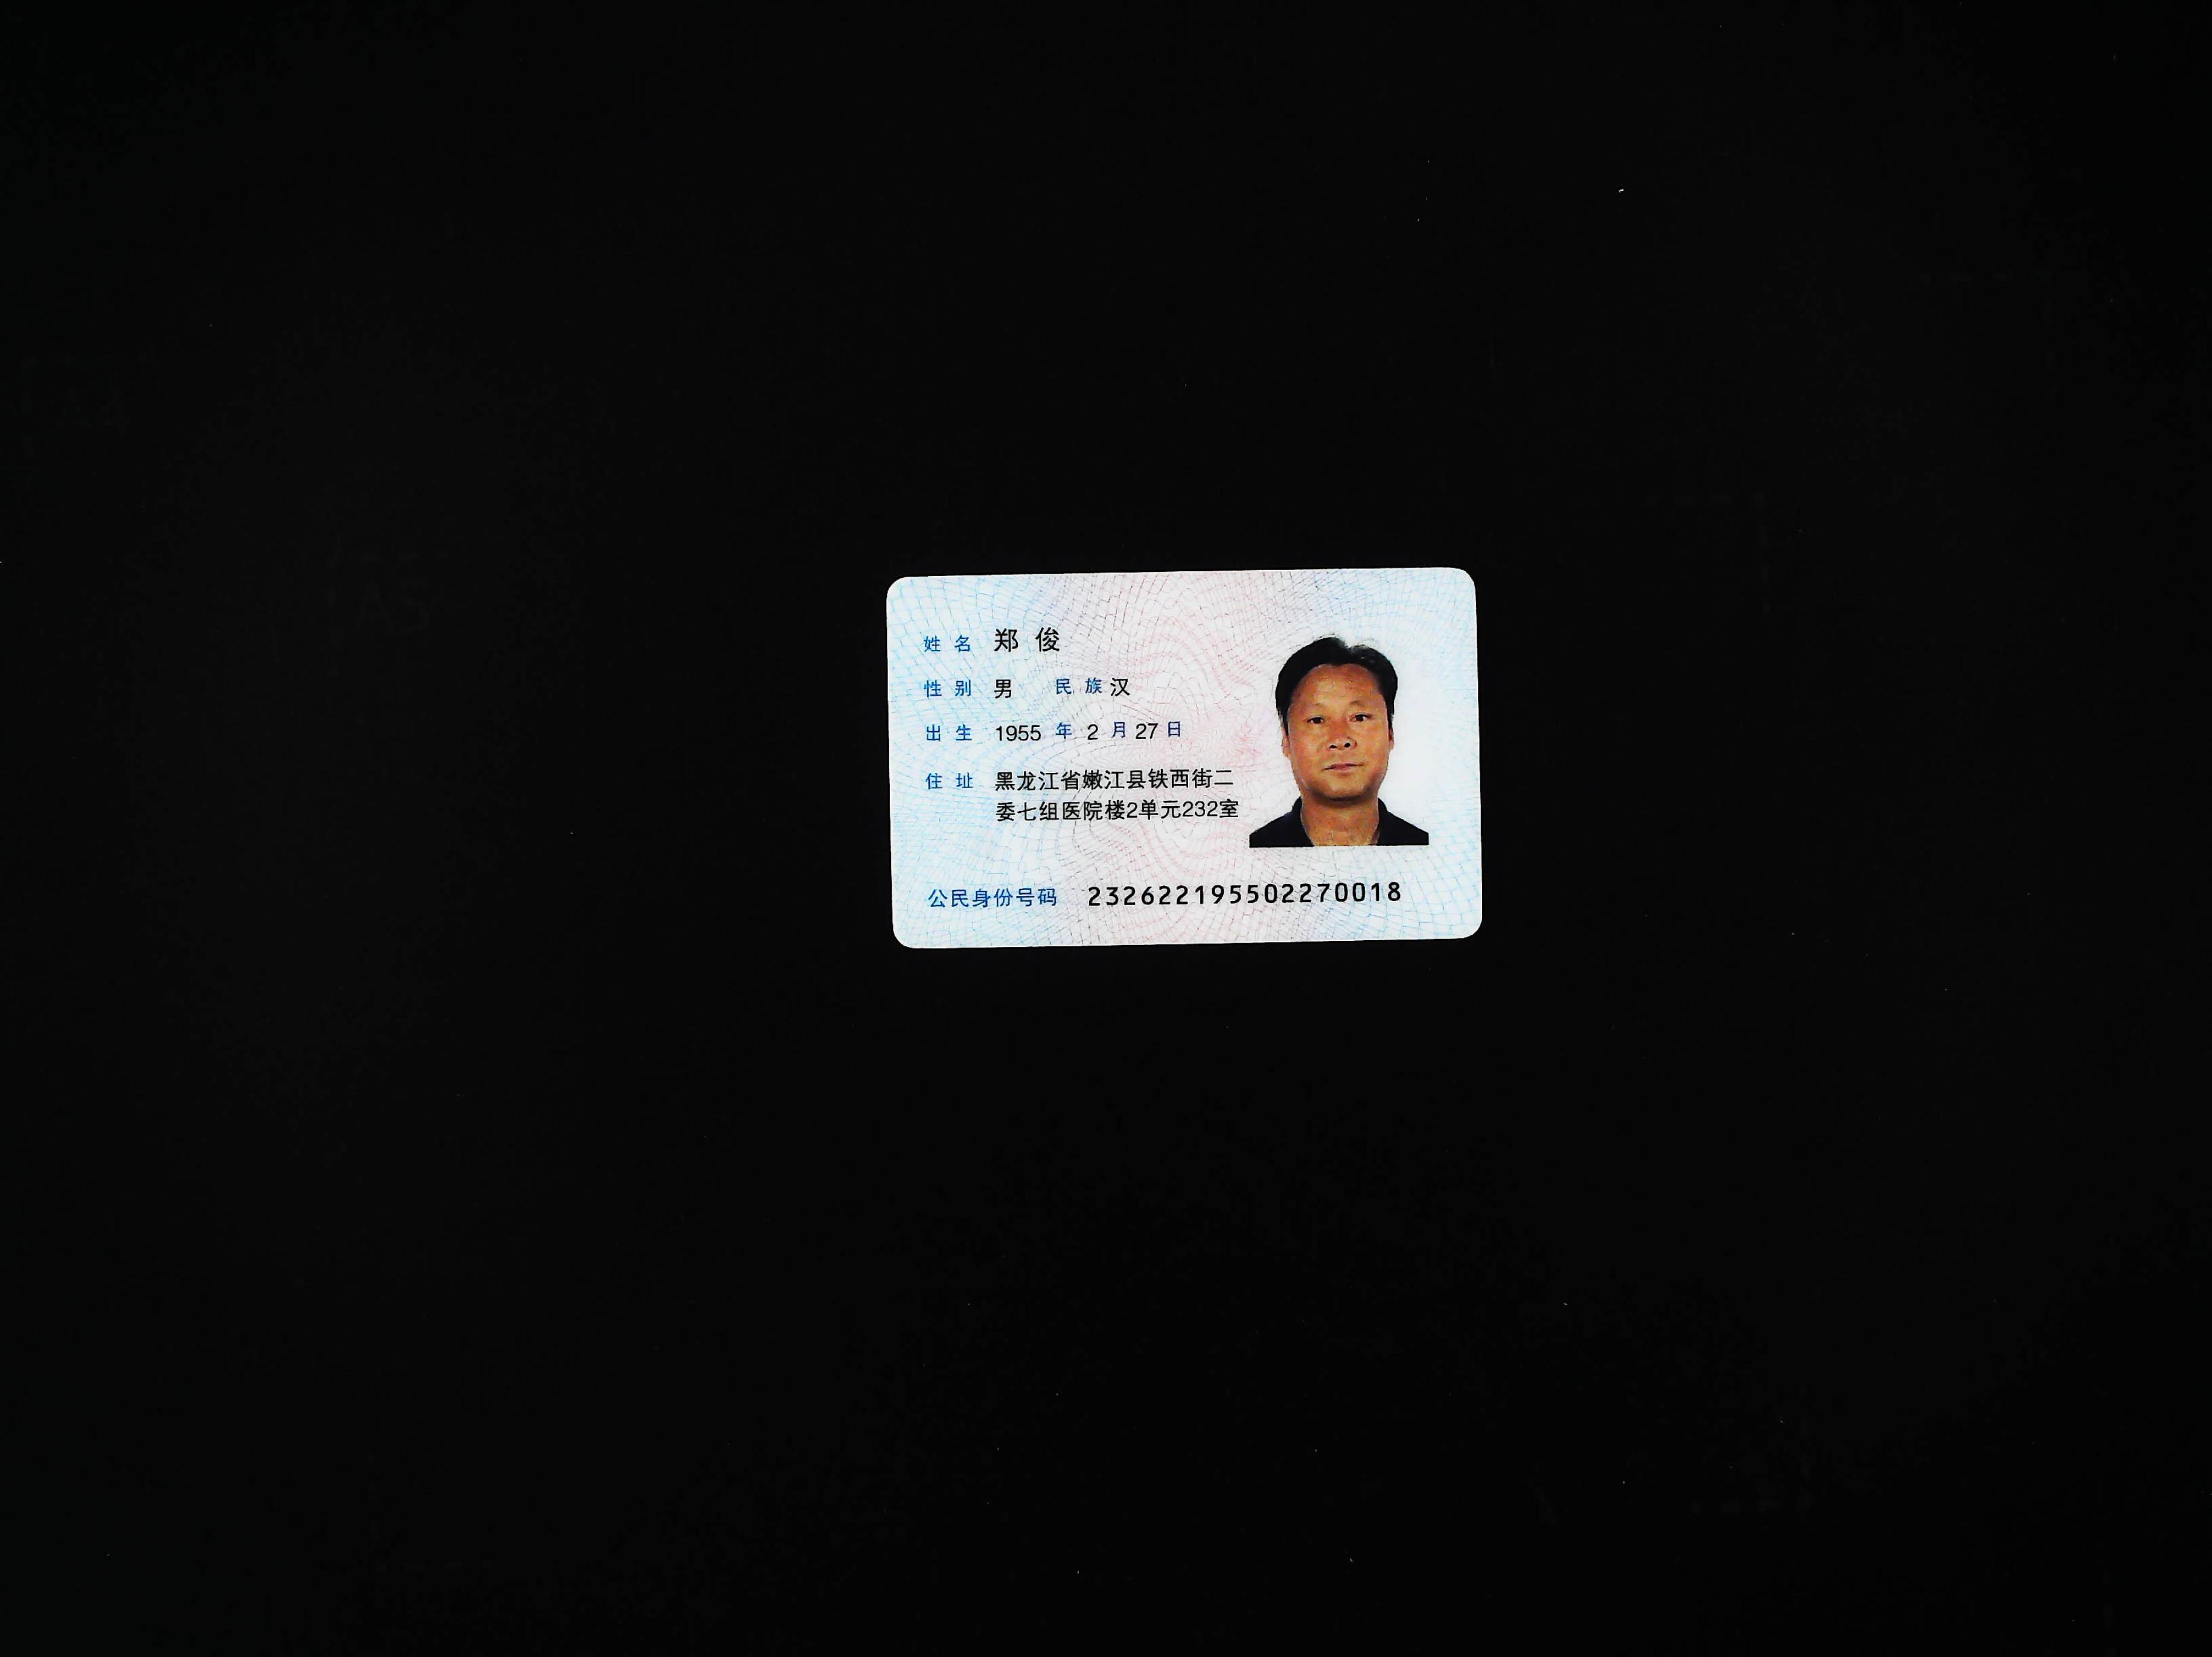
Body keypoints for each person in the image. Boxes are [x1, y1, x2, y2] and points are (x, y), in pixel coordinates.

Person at [1247, 637, 1429, 847]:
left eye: (1359, 717)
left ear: (1390, 734)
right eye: (1317, 720)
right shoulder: (1252, 852)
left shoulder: (1427, 849)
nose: (1340, 739)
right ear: (1286, 740)